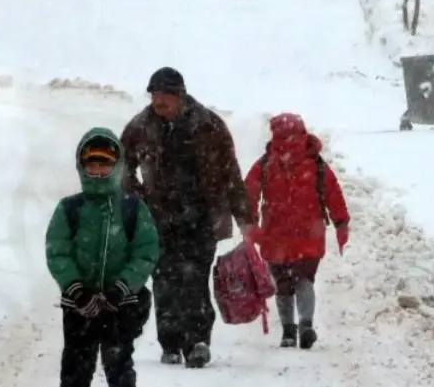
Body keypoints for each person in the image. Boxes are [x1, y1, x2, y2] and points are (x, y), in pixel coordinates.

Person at [120, 66, 254, 368]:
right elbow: (121, 168)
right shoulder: (140, 127)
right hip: (157, 220)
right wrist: (134, 199)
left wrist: (244, 217)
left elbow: (230, 173)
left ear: (179, 95)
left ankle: (197, 342)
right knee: (165, 280)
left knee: (194, 281)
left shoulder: (209, 126)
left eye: (164, 95)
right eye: (153, 95)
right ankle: (170, 342)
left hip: (201, 218)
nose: (157, 101)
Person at [45, 128, 160, 387]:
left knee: (120, 371)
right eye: (92, 165)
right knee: (75, 372)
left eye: (105, 165)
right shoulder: (69, 209)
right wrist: (76, 289)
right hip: (78, 308)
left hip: (119, 307)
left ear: (118, 167)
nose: (98, 171)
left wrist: (121, 287)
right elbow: (57, 252)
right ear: (82, 167)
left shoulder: (131, 209)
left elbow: (145, 251)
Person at [245, 112, 350, 349]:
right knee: (304, 280)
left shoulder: (266, 164)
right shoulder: (315, 164)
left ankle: (289, 330)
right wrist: (341, 223)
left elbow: (248, 193)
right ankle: (305, 325)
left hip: (277, 234)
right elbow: (333, 195)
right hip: (306, 235)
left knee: (283, 285)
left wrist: (249, 221)